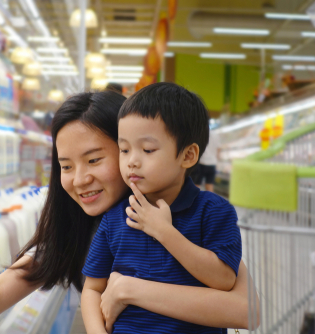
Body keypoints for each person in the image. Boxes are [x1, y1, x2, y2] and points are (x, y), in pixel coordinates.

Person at [0, 90, 258, 331]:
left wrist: (129, 289)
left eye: (95, 160)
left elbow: (246, 310)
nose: (80, 179)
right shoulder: (73, 234)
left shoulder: (189, 216)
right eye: (66, 166)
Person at [81, 83, 241, 334]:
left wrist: (164, 232)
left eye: (147, 150)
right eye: (124, 149)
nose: (132, 161)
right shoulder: (115, 216)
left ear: (188, 156)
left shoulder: (213, 211)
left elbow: (224, 280)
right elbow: (92, 288)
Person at [192, 128, 220, 192]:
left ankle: (196, 201)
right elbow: (218, 149)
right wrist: (217, 161)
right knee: (210, 186)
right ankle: (209, 201)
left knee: (196, 185)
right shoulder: (215, 135)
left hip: (201, 162)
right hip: (212, 163)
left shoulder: (200, 133)